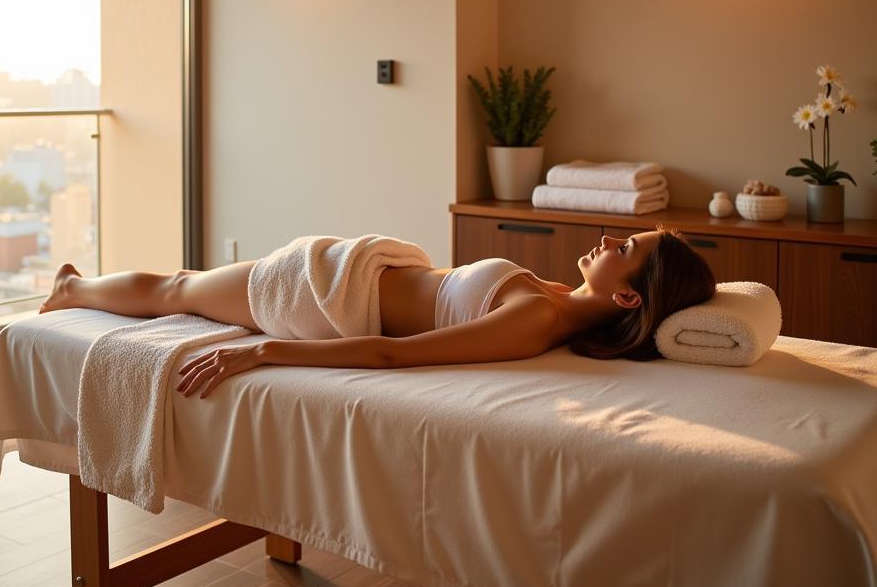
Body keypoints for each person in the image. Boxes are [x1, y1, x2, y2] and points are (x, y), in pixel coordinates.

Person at [38, 225, 715, 399]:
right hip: (348, 268)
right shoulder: (564, 302)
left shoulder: (537, 320)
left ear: (628, 296)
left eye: (622, 248)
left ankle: (73, 291)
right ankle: (78, 285)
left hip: (319, 298)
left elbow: (395, 355)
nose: (604, 242)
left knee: (177, 290)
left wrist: (263, 350)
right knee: (182, 281)